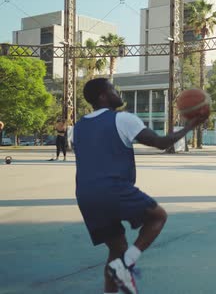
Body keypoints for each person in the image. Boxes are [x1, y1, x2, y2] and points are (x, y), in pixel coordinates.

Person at [73, 78, 207, 294]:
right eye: (112, 89)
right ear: (103, 96)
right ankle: (127, 263)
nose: (118, 93)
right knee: (158, 216)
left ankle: (117, 279)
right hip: (113, 189)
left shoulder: (79, 126)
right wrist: (190, 126)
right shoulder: (122, 119)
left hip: (86, 195)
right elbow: (161, 143)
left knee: (117, 250)